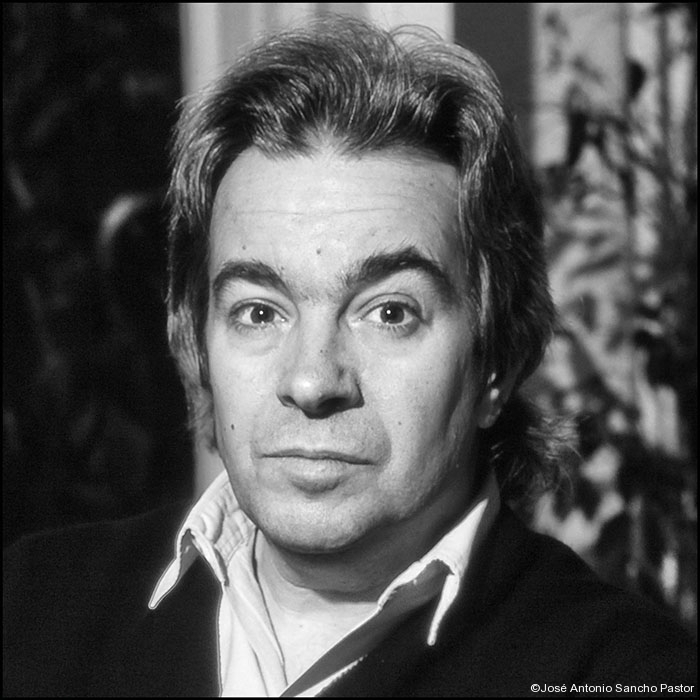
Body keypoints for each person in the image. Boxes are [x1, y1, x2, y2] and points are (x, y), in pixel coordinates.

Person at [4, 15, 696, 698]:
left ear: (499, 361)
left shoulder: (626, 675)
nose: (311, 381)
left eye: (390, 313)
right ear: (195, 343)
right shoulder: (30, 610)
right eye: (259, 312)